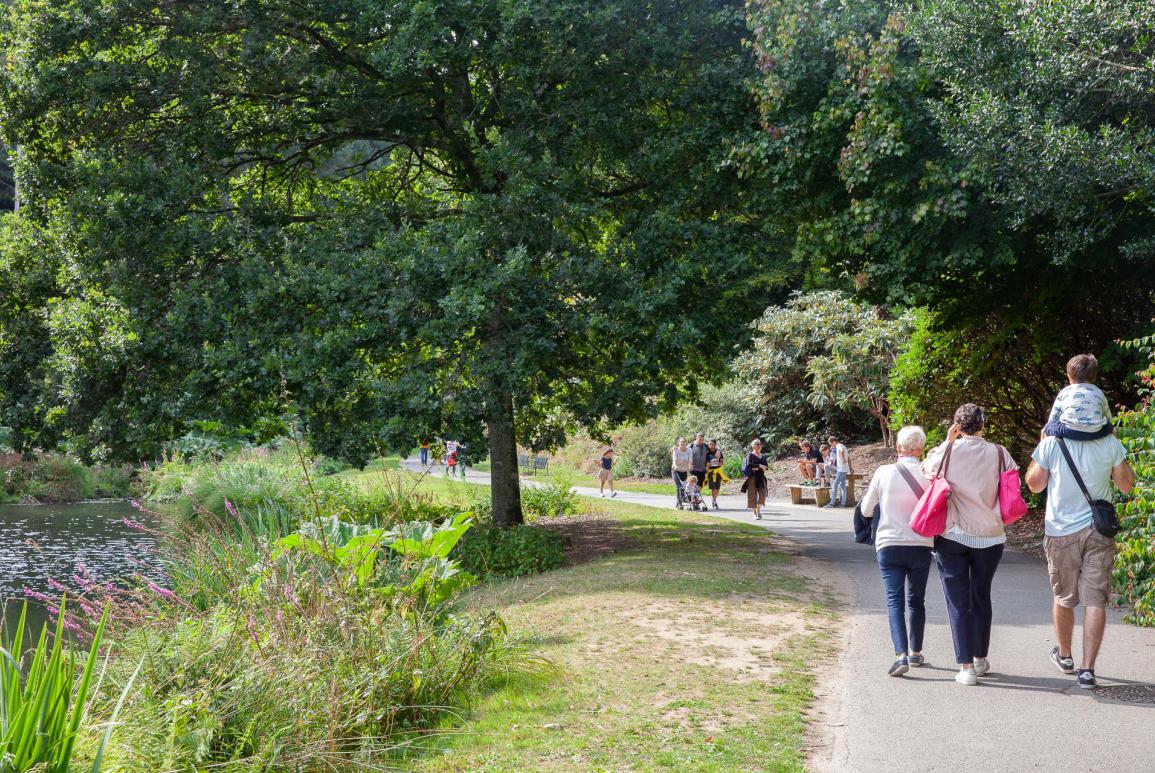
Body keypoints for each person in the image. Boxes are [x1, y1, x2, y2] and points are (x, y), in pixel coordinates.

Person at [1026, 417, 1135, 688]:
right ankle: (1087, 670)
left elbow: (1034, 484)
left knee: (1063, 596)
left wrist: (1042, 446)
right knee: (1095, 600)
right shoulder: (1109, 441)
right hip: (1099, 530)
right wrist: (1116, 452)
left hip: (1061, 530)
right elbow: (1126, 485)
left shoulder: (1052, 442)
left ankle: (1065, 656)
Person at [922, 404, 1014, 686]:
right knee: (981, 595)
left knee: (958, 600)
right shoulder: (999, 452)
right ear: (983, 425)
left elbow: (927, 470)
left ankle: (966, 667)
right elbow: (1011, 481)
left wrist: (947, 441)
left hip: (953, 534)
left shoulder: (949, 452)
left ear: (957, 426)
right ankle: (980, 658)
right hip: (991, 534)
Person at [860, 426, 934, 677]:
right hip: (921, 544)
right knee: (917, 600)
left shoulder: (884, 472)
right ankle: (916, 652)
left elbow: (867, 509)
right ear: (921, 448)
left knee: (895, 601)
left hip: (889, 544)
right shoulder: (929, 473)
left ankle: (900, 654)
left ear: (898, 447)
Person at [1044, 353, 1114, 440]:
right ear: (1094, 377)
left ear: (1069, 377)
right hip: (1095, 433)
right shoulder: (1099, 392)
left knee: (1047, 427)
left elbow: (1053, 418)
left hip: (1070, 431)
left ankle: (1043, 452)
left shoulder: (1065, 391)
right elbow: (1108, 418)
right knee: (1110, 427)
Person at [742, 439, 769, 520]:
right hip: (752, 478)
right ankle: (755, 513)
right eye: (757, 444)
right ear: (753, 446)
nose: (759, 446)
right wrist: (759, 466)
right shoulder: (750, 455)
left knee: (763, 495)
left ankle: (758, 509)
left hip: (761, 478)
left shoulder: (763, 456)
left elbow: (766, 467)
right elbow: (749, 465)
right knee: (752, 496)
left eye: (760, 444)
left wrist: (762, 467)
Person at [823, 435, 853, 508]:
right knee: (843, 486)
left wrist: (842, 459)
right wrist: (851, 468)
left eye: (831, 444)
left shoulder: (839, 446)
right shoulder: (844, 446)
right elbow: (849, 459)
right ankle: (843, 504)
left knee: (835, 485)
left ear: (833, 442)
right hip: (844, 469)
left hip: (841, 469)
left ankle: (831, 504)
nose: (831, 446)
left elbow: (841, 451)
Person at [672, 437, 693, 508]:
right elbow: (674, 460)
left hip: (684, 471)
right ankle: (679, 503)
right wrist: (675, 466)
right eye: (681, 442)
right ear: (679, 443)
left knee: (683, 486)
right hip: (676, 471)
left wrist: (690, 466)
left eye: (683, 442)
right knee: (679, 487)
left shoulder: (689, 450)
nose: (682, 443)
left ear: (686, 443)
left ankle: (683, 498)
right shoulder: (676, 450)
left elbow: (690, 460)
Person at [704, 439, 726, 510]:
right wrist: (709, 464)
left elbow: (722, 462)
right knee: (713, 488)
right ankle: (714, 502)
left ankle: (714, 500)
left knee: (718, 487)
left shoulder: (719, 452)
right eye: (710, 444)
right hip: (711, 472)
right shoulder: (707, 453)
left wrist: (717, 463)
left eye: (712, 444)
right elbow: (706, 463)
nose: (711, 446)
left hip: (718, 471)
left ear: (715, 445)